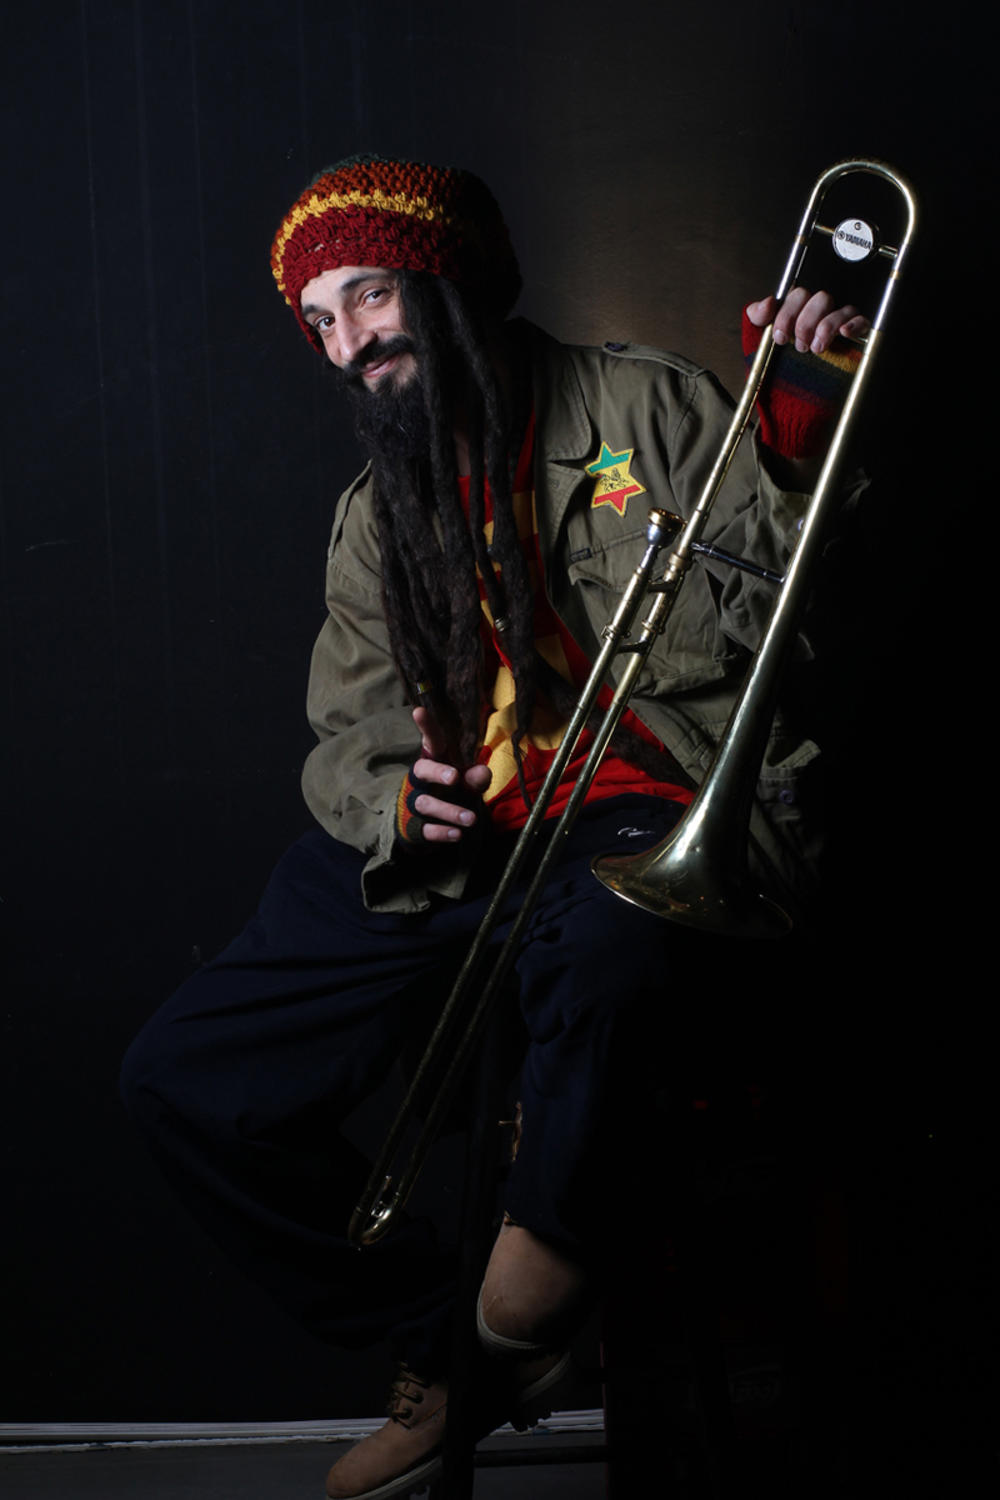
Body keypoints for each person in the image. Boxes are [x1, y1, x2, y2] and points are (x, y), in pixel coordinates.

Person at [121, 154, 865, 1500]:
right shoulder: (372, 515)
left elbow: (786, 629)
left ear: (448, 275)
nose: (347, 345)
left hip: (648, 800)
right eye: (319, 321)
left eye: (367, 295)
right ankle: (447, 1345)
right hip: (468, 841)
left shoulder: (647, 404)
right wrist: (397, 803)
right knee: (184, 1075)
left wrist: (798, 421)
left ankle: (539, 1276)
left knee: (614, 951)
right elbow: (347, 738)